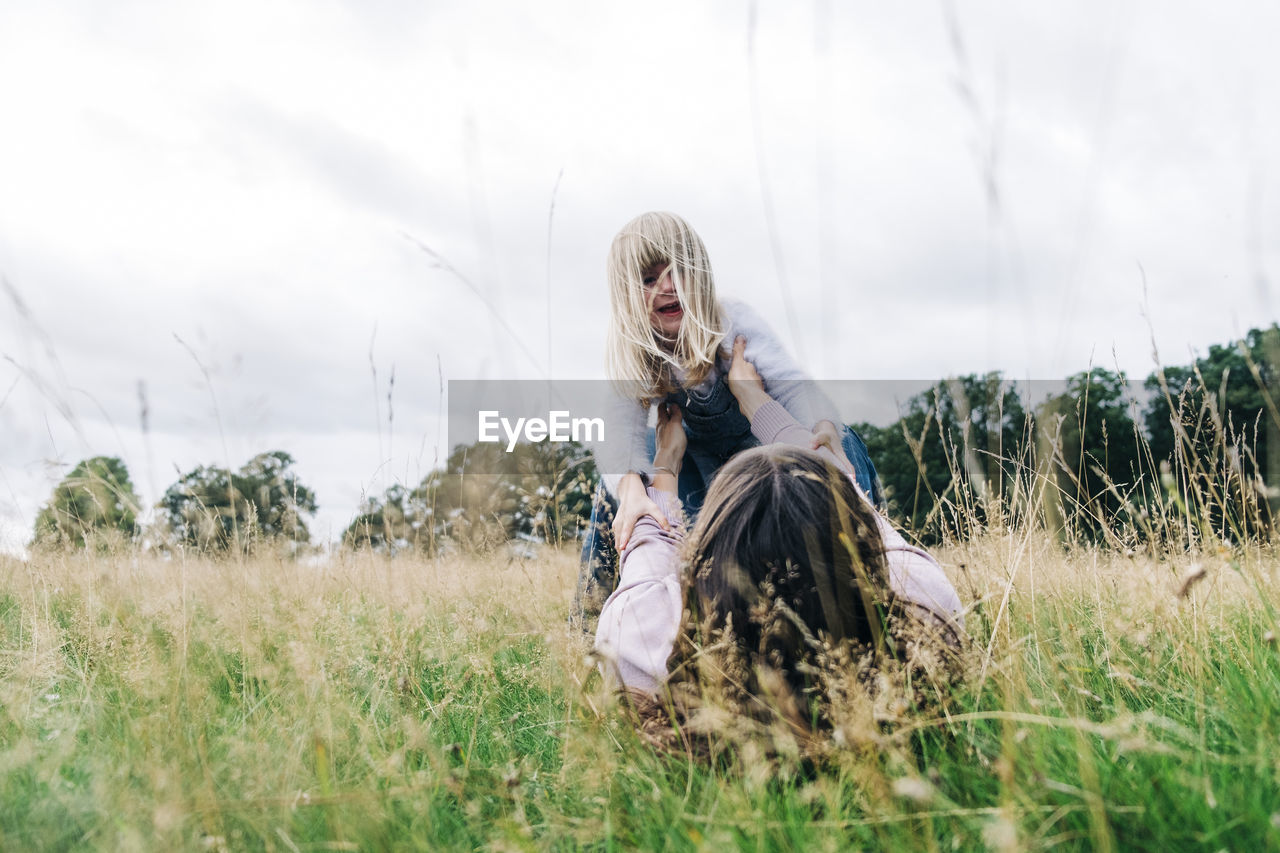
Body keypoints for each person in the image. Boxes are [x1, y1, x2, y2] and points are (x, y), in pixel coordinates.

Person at [593, 339, 964, 749]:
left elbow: (646, 533)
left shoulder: (641, 640)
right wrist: (757, 402)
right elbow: (859, 510)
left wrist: (663, 464)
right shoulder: (924, 613)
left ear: (707, 561)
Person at [573, 211, 882, 629]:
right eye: (649, 279)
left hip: (761, 445)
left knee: (834, 438)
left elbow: (790, 384)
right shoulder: (636, 351)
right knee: (628, 475)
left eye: (678, 271)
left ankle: (876, 560)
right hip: (695, 466)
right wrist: (630, 488)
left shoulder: (731, 320)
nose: (667, 287)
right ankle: (594, 619)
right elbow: (619, 426)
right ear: (628, 295)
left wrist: (821, 424)